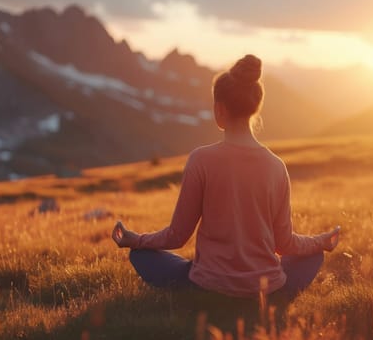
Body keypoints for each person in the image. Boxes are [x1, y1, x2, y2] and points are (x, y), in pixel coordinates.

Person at [111, 54, 340, 318]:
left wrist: (135, 240)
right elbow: (284, 244)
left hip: (207, 285)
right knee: (313, 256)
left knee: (141, 256)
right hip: (266, 288)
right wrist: (320, 242)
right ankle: (277, 290)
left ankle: (196, 284)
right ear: (256, 107)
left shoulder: (201, 159)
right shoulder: (276, 166)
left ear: (220, 109)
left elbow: (177, 236)